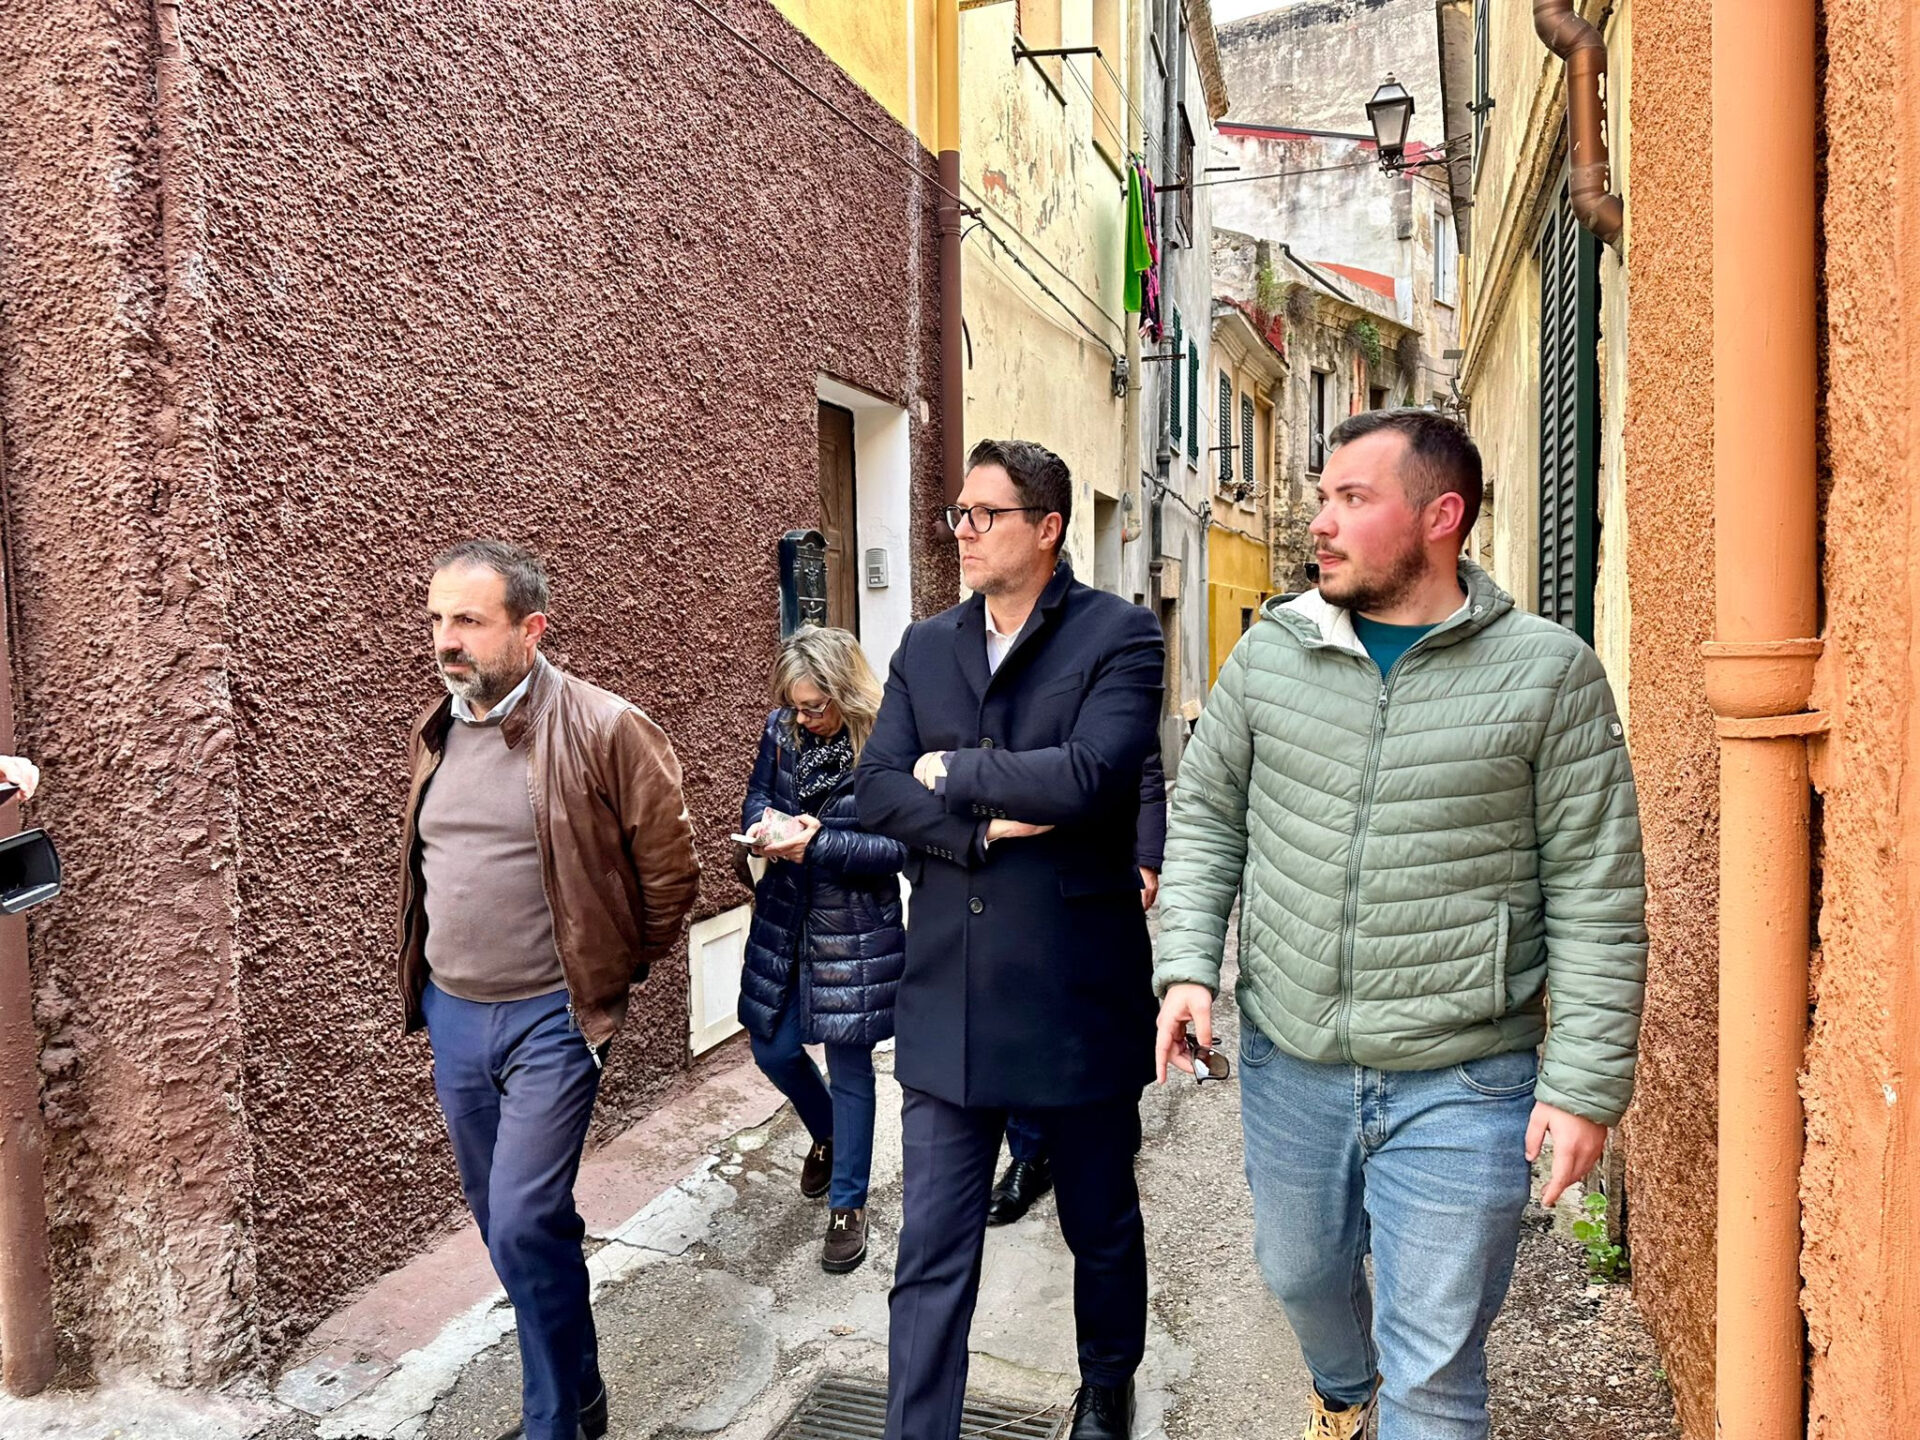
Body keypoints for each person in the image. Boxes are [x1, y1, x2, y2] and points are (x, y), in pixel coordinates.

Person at [1153, 409, 1647, 1440]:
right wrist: (1189, 964)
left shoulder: (1549, 674)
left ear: (1440, 517)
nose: (1319, 523)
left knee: (1437, 1371)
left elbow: (1596, 888)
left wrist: (1582, 1086)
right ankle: (1343, 1392)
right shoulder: (1271, 653)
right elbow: (1206, 815)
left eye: (1352, 499)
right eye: (1322, 497)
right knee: (1299, 1273)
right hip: (1293, 1058)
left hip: (1464, 1078)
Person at [857, 438, 1164, 1440]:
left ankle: (1106, 1386)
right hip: (949, 997)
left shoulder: (1120, 636)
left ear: (1048, 528)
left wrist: (955, 771)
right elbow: (877, 787)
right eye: (959, 513)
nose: (963, 531)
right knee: (931, 1252)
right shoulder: (925, 646)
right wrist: (982, 826)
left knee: (1099, 1222)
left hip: (1076, 993)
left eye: (985, 514)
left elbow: (1092, 776)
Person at [397, 540, 700, 1440]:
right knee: (509, 1223)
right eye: (437, 619)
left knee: (526, 1219)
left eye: (469, 621)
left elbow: (670, 874)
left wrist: (614, 972)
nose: (447, 640)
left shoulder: (607, 728)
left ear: (531, 629)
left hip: (553, 1017)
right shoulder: (437, 731)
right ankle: (583, 1387)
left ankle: (552, 1420)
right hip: (454, 1012)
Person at [737, 626, 906, 1274]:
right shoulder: (782, 730)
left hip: (853, 927)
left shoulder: (886, 744)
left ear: (845, 693)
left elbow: (901, 848)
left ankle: (848, 1205)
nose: (802, 718)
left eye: (814, 707)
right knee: (772, 1047)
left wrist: (820, 843)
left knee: (851, 1066)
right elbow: (758, 794)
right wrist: (762, 827)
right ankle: (830, 1132)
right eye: (795, 705)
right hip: (785, 913)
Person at [986, 749, 1164, 1226]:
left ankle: (1116, 1119)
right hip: (1018, 879)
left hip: (1102, 872)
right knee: (1023, 1024)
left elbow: (1144, 770)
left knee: (1108, 1012)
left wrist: (1147, 859)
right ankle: (1028, 1156)